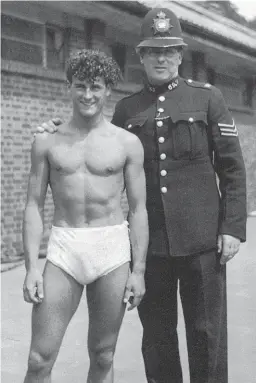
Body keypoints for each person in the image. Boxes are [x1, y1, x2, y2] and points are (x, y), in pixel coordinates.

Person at [34, 8, 247, 383]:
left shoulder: (208, 98)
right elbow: (97, 139)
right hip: (153, 245)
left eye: (168, 51)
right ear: (142, 56)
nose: (161, 58)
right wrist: (55, 127)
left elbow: (231, 167)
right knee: (158, 337)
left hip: (202, 239)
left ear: (180, 55)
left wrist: (232, 227)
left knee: (206, 332)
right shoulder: (128, 109)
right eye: (153, 51)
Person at [22, 49, 148, 383]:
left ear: (109, 89)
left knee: (103, 355)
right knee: (38, 359)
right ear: (69, 87)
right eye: (80, 86)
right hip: (65, 247)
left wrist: (139, 270)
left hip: (111, 249)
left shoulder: (127, 143)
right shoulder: (47, 141)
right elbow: (33, 204)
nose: (88, 94)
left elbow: (138, 209)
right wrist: (32, 267)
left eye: (95, 86)